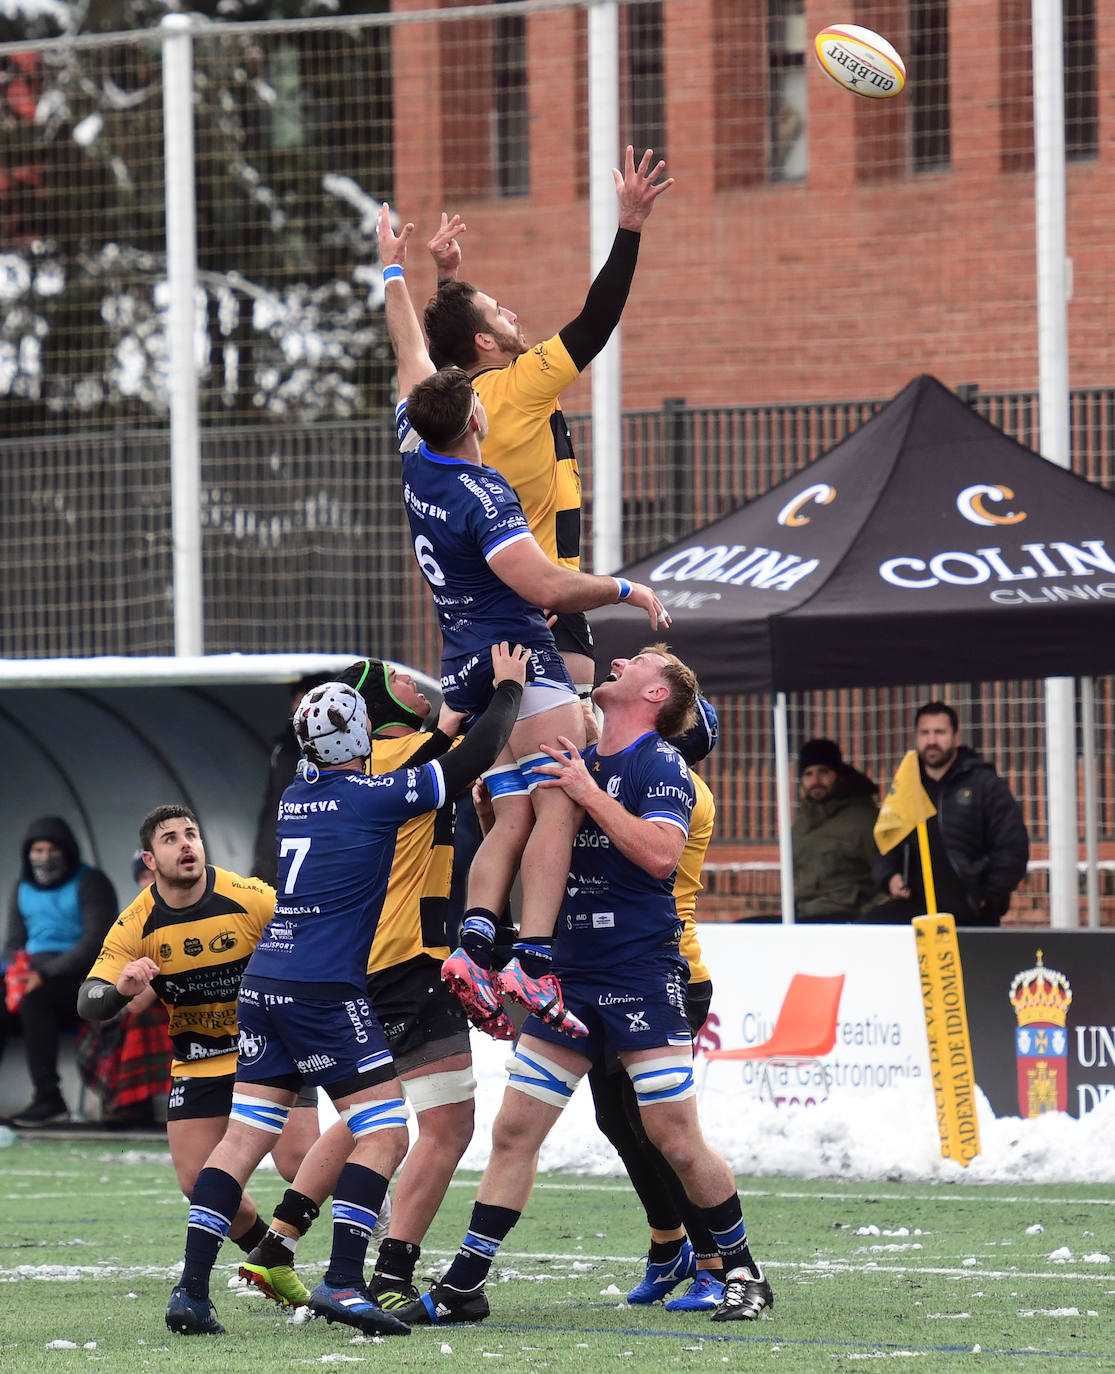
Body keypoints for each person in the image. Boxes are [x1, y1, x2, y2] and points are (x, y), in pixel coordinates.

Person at [396, 649, 773, 1329]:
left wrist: (586, 791)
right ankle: (465, 1284)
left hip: (640, 977)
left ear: (654, 694)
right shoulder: (574, 756)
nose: (617, 658)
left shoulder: (660, 767)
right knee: (515, 1130)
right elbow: (529, 847)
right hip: (566, 979)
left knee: (673, 1138)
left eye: (637, 660)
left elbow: (659, 855)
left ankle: (741, 1269)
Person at [164, 646, 527, 1338]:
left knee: (242, 1139)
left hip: (266, 983)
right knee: (385, 1131)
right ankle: (344, 1281)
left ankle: (191, 1291)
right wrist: (507, 690)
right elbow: (467, 761)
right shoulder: (374, 796)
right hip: (324, 988)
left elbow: (436, 755)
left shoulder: (298, 796)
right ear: (362, 736)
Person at [377, 191, 670, 1045]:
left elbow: (410, 352)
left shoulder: (414, 437)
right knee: (562, 795)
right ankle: (534, 960)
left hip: (466, 643)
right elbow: (541, 584)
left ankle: (478, 944)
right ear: (473, 400)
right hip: (529, 628)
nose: (513, 314)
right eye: (496, 312)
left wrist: (407, 271)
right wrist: (620, 590)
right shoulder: (490, 464)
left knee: (511, 804)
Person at [238, 657, 486, 1313]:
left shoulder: (329, 774)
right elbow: (476, 754)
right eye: (403, 680)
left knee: (364, 1117)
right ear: (377, 706)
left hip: (355, 964)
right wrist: (508, 685)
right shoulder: (403, 756)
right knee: (445, 1125)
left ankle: (279, 1241)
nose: (419, 684)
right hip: (407, 960)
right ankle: (389, 1275)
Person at [423, 147, 671, 718]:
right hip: (545, 599)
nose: (511, 314)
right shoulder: (522, 383)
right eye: (498, 310)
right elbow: (596, 320)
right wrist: (630, 226)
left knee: (502, 785)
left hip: (482, 608)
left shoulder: (451, 401)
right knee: (565, 771)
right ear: (483, 342)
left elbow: (445, 354)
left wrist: (447, 280)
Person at [77, 807, 320, 1256]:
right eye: (170, 839)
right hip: (198, 1059)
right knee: (198, 1185)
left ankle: (368, 1211)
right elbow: (87, 1000)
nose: (185, 844)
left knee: (299, 1162)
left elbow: (311, 938)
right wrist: (120, 990)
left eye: (191, 834)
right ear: (149, 862)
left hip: (268, 1049)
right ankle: (267, 1256)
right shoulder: (136, 921)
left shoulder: (249, 897)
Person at [587, 693, 729, 1312]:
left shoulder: (677, 786)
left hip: (665, 972)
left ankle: (714, 1261)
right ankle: (669, 1242)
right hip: (608, 969)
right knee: (617, 1122)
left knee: (662, 1131)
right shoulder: (638, 774)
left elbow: (641, 852)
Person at [869, 702, 1030, 926]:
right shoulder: (906, 786)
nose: (932, 740)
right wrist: (890, 877)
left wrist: (987, 897)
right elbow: (885, 840)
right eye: (925, 733)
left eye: (939, 732)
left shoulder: (985, 785)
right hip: (915, 915)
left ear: (956, 736)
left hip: (970, 917)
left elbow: (1012, 847)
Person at [3, 816, 117, 1127]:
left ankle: (49, 1099)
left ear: (67, 850)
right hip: (33, 973)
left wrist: (47, 973)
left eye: (51, 849)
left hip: (82, 979)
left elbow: (96, 941)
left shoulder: (90, 882)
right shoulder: (22, 887)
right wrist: (15, 973)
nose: (44, 857)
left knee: (35, 999)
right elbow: (14, 941)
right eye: (37, 850)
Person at [74, 850, 173, 1127]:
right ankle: (128, 1104)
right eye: (143, 876)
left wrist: (153, 989)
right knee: (106, 1019)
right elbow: (116, 963)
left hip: (185, 1000)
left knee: (140, 1017)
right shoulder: (132, 917)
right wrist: (122, 992)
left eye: (154, 874)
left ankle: (133, 1104)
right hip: (140, 998)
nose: (149, 881)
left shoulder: (193, 908)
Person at [250, 673, 332, 887]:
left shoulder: (338, 751)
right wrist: (263, 857)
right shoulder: (283, 750)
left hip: (320, 856)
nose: (297, 706)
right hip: (277, 853)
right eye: (296, 699)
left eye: (305, 699)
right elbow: (272, 806)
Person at [792, 738, 880, 922]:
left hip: (844, 916)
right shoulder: (801, 822)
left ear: (838, 775)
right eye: (808, 774)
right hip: (803, 916)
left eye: (823, 772)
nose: (816, 780)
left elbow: (885, 875)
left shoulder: (863, 819)